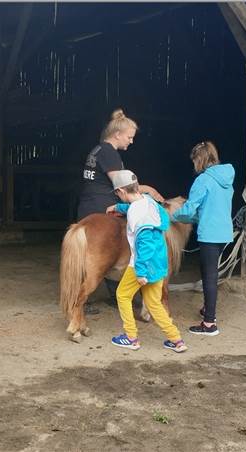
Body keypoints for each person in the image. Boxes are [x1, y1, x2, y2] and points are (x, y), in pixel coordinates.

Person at [77, 108, 163, 314]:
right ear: (117, 134)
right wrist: (149, 190)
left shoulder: (98, 149)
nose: (131, 141)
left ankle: (108, 294)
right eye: (129, 137)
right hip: (104, 206)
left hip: (88, 204)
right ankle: (106, 294)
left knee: (90, 253)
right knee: (121, 247)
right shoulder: (109, 152)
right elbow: (121, 184)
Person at [105, 170, 187, 353]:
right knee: (154, 303)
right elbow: (142, 210)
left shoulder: (137, 216)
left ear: (121, 191)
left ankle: (131, 337)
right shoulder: (148, 202)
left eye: (117, 194)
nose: (118, 197)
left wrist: (141, 272)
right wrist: (118, 208)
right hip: (159, 263)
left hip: (142, 265)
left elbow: (145, 245)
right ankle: (176, 339)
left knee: (123, 295)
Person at [173, 141, 235, 336]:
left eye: (194, 161)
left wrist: (171, 216)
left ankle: (209, 323)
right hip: (224, 232)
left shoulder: (203, 180)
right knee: (209, 271)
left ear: (199, 159)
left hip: (209, 233)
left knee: (209, 275)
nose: (194, 166)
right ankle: (208, 308)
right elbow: (209, 209)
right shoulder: (226, 178)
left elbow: (190, 209)